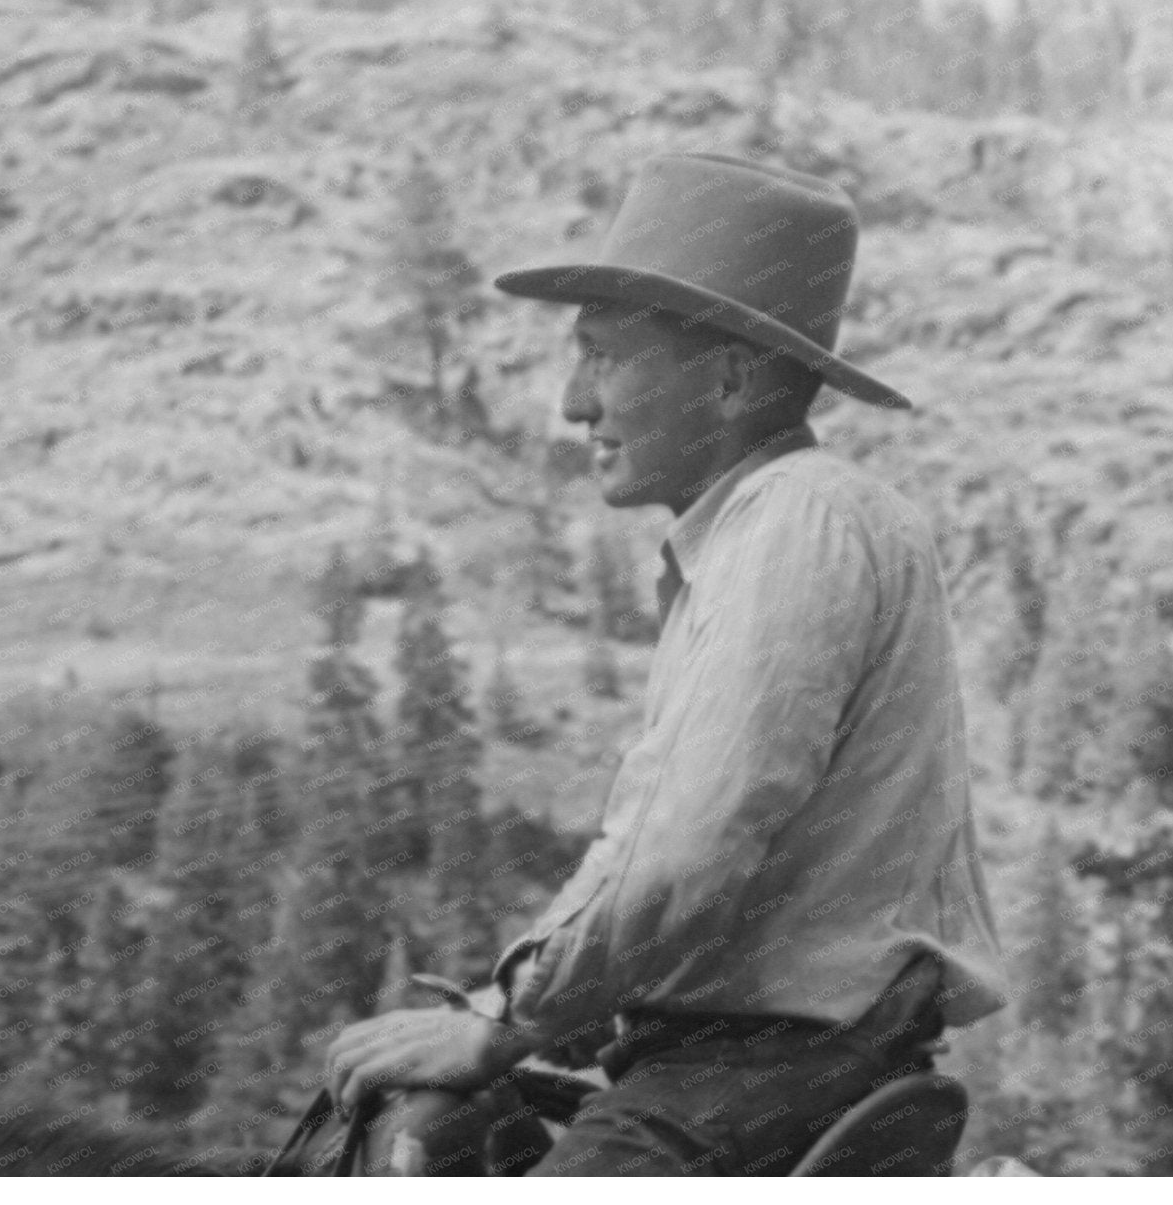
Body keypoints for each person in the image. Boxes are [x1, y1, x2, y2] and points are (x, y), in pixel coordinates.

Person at [320, 152, 1008, 1175]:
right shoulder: (762, 531)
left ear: (728, 375)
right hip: (752, 1059)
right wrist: (518, 1013)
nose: (572, 404)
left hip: (771, 1064)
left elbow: (689, 848)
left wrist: (505, 1023)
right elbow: (662, 855)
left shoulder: (796, 519)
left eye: (603, 358)